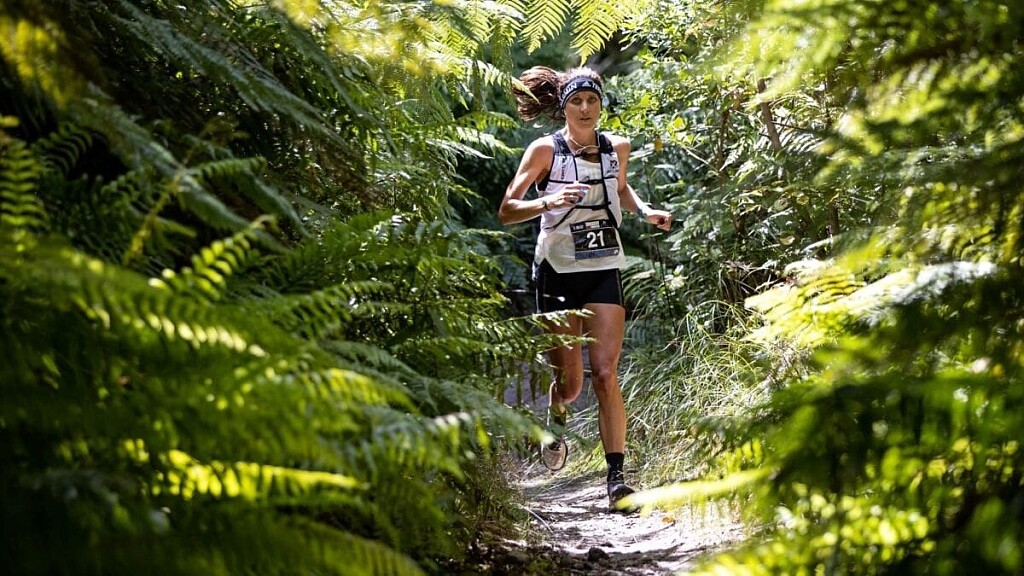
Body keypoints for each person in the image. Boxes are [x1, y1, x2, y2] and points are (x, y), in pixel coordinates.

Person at [497, 66, 673, 508]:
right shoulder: (545, 150)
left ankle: (617, 478)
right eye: (576, 101)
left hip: (603, 265)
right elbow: (507, 209)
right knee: (571, 384)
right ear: (564, 106)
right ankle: (557, 416)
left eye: (592, 100)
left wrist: (645, 211)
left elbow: (620, 188)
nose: (585, 108)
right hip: (557, 269)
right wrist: (548, 201)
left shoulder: (617, 147)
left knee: (606, 372)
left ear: (600, 104)